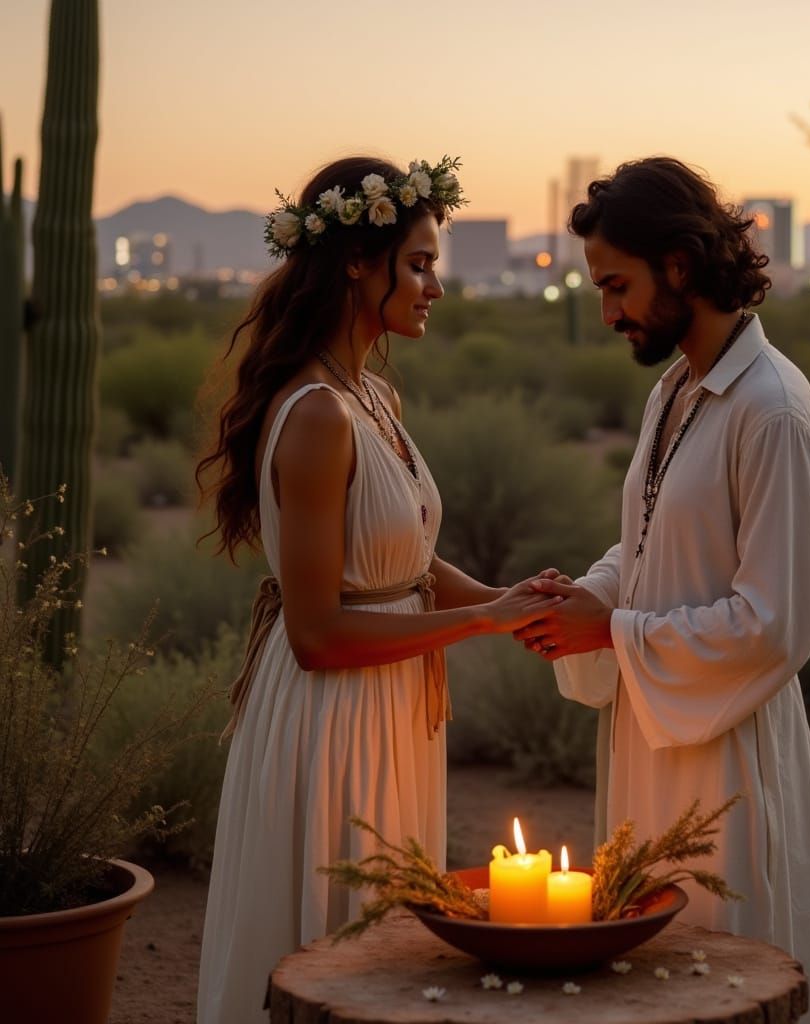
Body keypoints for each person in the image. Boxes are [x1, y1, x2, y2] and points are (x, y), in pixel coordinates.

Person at [194, 156, 561, 1024]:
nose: (435, 285)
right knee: (339, 945)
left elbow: (405, 564)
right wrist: (479, 623)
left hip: (393, 704)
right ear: (359, 263)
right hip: (336, 725)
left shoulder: (372, 395)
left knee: (383, 943)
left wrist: (510, 604)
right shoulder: (317, 414)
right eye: (421, 264)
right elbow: (318, 636)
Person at [517, 157, 810, 1023]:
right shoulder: (678, 391)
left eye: (617, 286)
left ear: (681, 266)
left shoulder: (772, 410)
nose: (609, 312)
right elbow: (652, 544)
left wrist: (612, 631)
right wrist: (583, 599)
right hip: (651, 740)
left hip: (728, 758)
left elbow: (778, 624)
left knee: (726, 978)